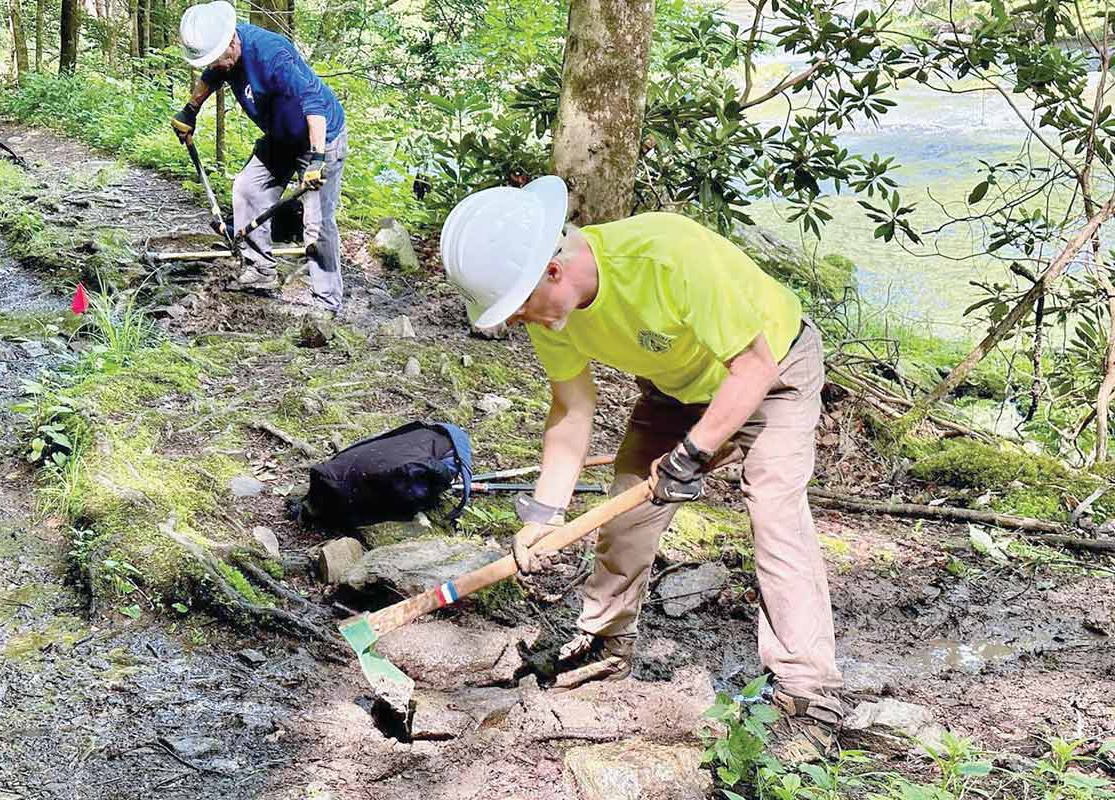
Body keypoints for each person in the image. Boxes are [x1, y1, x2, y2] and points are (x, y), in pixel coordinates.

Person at [439, 176, 844, 761]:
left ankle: (809, 695)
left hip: (773, 371)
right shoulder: (556, 313)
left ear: (551, 271)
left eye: (519, 306)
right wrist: (544, 516)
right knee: (627, 509)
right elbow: (572, 409)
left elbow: (751, 369)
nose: (517, 321)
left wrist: (694, 452)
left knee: (776, 513)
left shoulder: (666, 256)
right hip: (677, 388)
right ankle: (606, 641)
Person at [171, 0, 348, 313]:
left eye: (217, 59)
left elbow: (314, 104)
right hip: (281, 136)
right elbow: (213, 76)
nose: (215, 66)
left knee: (317, 223)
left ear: (232, 41)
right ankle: (261, 270)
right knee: (248, 188)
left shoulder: (271, 54)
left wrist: (318, 158)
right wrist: (191, 109)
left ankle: (326, 302)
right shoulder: (224, 57)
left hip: (319, 135)